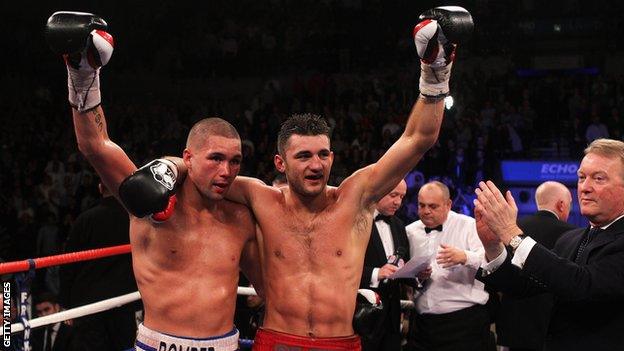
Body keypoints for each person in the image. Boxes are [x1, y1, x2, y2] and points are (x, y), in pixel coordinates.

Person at [142, 7, 473, 349]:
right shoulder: (259, 197)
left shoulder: (354, 196)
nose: (316, 164)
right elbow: (201, 170)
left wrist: (435, 72)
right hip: (278, 340)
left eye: (323, 154)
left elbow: (418, 139)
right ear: (280, 164)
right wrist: (169, 167)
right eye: (303, 156)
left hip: (340, 342)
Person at [46, 12, 262, 351]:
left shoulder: (241, 219)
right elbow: (94, 145)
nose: (227, 171)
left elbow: (269, 290)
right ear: (189, 158)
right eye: (215, 159)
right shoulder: (149, 202)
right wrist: (82, 72)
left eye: (235, 161)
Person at [474, 138, 624, 351]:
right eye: (582, 177)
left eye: (599, 179)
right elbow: (522, 285)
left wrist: (512, 233)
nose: (585, 187)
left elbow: (582, 286)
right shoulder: (569, 239)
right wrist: (493, 245)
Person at [405, 181, 493, 351]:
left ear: (448, 204)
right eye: (421, 205)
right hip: (423, 325)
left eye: (433, 206)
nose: (426, 211)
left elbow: (491, 262)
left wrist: (465, 257)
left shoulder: (469, 226)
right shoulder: (410, 231)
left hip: (464, 322)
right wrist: (417, 276)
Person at [495, 181, 577, 351]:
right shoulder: (572, 234)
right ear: (561, 205)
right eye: (569, 204)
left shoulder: (513, 229)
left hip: (514, 323)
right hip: (550, 325)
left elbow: (501, 272)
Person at [59, 182, 141, 351]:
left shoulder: (85, 219)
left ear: (99, 188)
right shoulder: (136, 219)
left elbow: (68, 263)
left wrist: (66, 303)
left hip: (90, 303)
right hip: (124, 300)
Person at [360, 179, 412, 350]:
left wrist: (418, 274)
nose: (398, 202)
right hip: (362, 315)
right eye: (393, 195)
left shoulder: (398, 225)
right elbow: (339, 266)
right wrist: (376, 273)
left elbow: (403, 264)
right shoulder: (356, 221)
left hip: (391, 317)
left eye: (402, 196)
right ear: (379, 190)